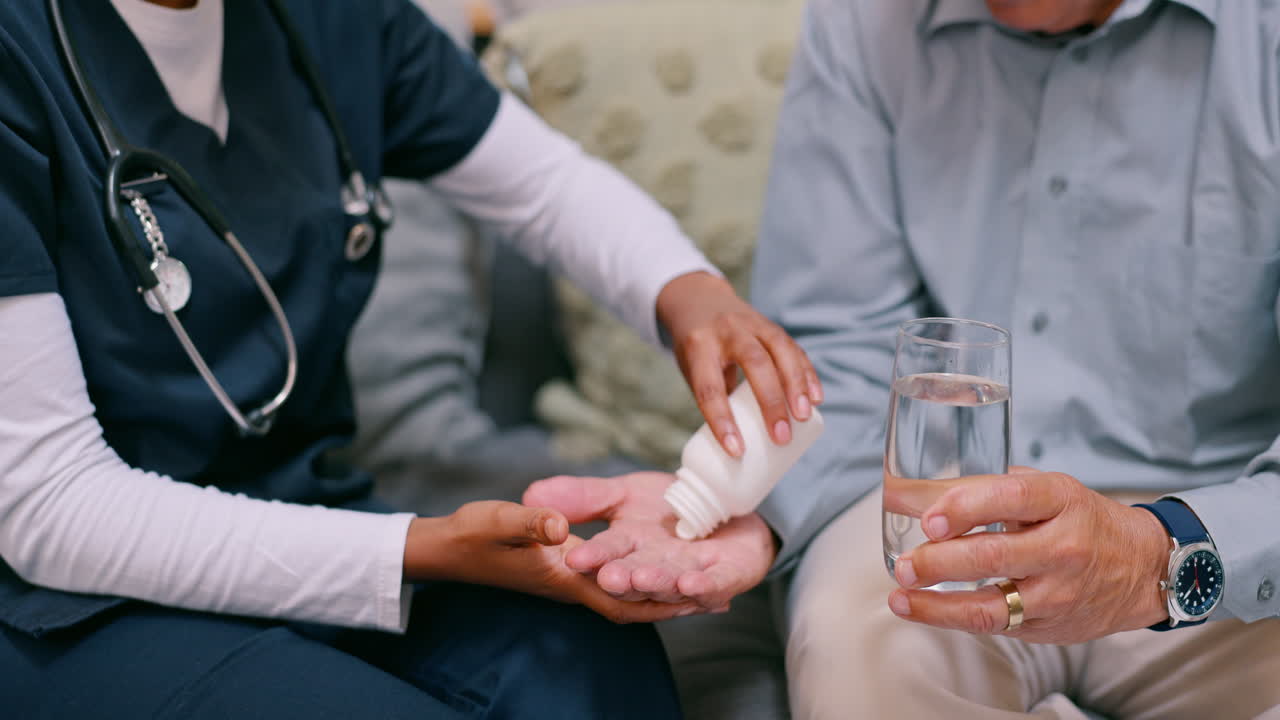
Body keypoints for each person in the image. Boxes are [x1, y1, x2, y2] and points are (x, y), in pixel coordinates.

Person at [0, 0, 821, 717]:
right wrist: (414, 551)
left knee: (587, 659)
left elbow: (545, 186)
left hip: (308, 515)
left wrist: (688, 294)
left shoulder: (332, 19)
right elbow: (48, 502)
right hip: (75, 602)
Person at [531, 0, 1280, 717]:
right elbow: (848, 348)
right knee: (855, 656)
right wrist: (756, 508)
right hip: (935, 504)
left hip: (1220, 518)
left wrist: (1157, 555)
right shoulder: (866, 21)